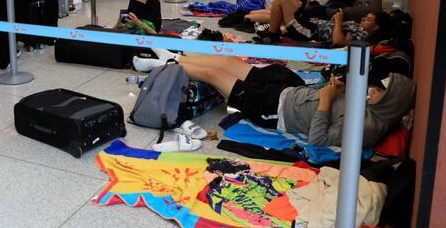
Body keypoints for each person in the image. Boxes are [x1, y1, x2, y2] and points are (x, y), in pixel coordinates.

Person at [135, 52, 415, 147]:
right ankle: (175, 56)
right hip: (293, 88)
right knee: (228, 61)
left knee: (213, 74)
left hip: (275, 108)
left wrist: (327, 100)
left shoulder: (366, 127)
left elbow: (318, 139)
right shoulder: (367, 107)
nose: (370, 90)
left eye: (377, 91)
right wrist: (339, 88)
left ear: (389, 104)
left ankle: (165, 65)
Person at [257, 0, 391, 46]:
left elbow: (338, 41)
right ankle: (273, 33)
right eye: (364, 18)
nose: (362, 19)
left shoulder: (363, 35)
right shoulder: (357, 26)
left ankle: (272, 35)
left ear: (376, 26)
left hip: (310, 31)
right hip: (310, 23)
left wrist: (338, 21)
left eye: (367, 20)